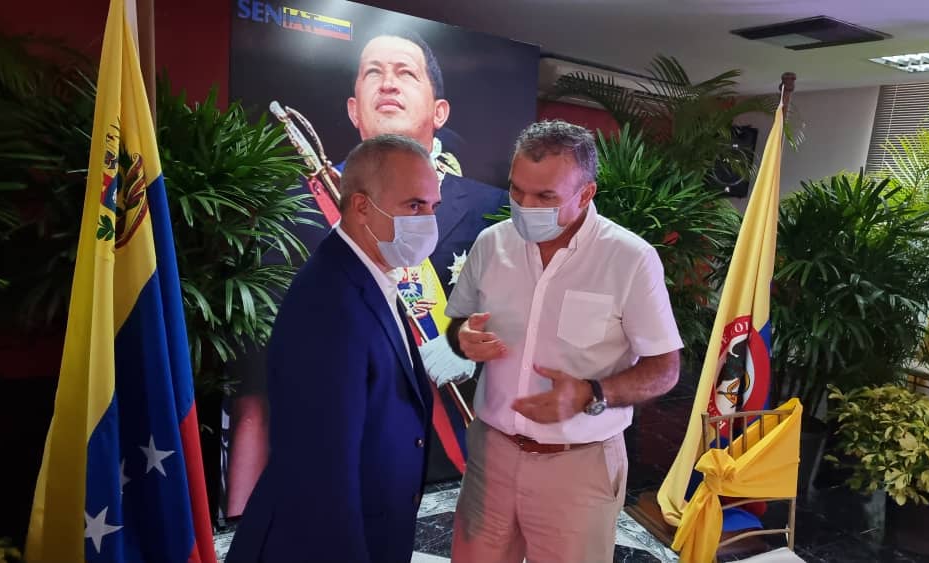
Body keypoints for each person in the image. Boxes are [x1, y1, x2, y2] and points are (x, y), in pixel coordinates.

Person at [224, 29, 508, 517]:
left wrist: (463, 345)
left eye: (406, 73)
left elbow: (518, 332)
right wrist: (239, 518)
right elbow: (257, 386)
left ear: (440, 111)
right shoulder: (293, 210)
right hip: (332, 477)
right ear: (354, 109)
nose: (388, 83)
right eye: (373, 72)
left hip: (460, 472)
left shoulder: (492, 210)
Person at [445, 120, 684, 563]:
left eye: (545, 197)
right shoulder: (491, 244)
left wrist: (592, 393)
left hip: (579, 467)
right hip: (491, 455)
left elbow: (665, 369)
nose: (525, 207)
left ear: (586, 193)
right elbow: (457, 323)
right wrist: (462, 337)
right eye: (517, 191)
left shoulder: (630, 259)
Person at [225, 134, 440, 562]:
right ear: (361, 206)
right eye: (415, 206)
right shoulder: (329, 302)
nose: (429, 221)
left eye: (433, 206)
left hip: (376, 529)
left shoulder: (370, 275)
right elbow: (322, 470)